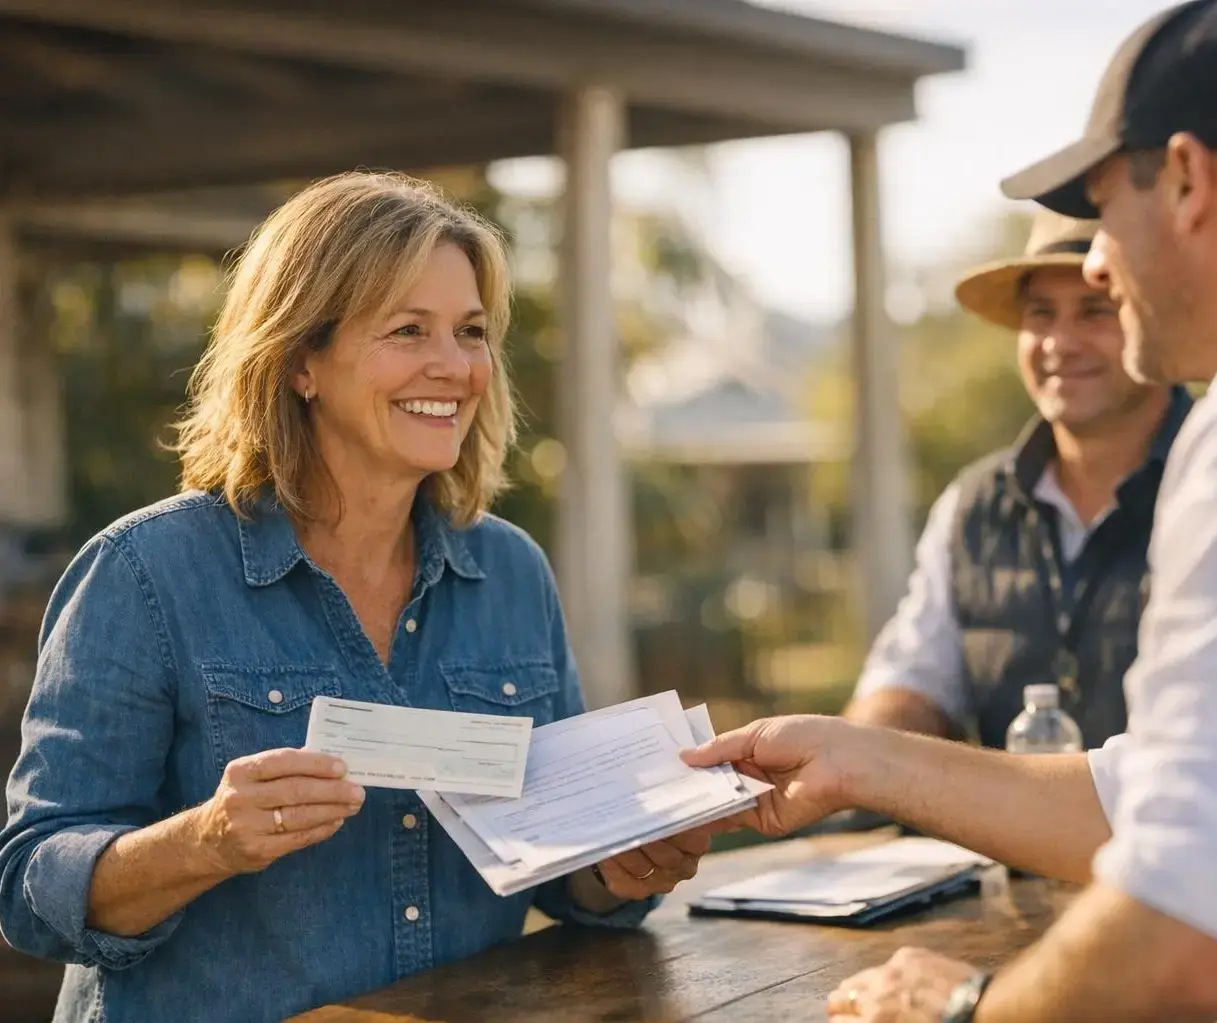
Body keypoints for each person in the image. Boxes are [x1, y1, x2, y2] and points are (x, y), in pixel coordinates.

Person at [686, 1, 1217, 1020]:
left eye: (1103, 206)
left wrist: (968, 1011)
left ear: (1189, 179)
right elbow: (1185, 792)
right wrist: (863, 755)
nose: (1093, 262)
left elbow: (1192, 920)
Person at [0, 171, 709, 1023]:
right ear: (302, 360)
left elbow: (563, 874)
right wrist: (209, 839)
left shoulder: (511, 573)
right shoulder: (143, 572)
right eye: (408, 330)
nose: (453, 366)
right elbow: (31, 887)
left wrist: (621, 864)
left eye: (471, 331)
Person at [846, 211, 1191, 749]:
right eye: (1041, 314)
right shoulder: (972, 504)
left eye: (1095, 311)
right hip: (1004, 838)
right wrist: (860, 750)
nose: (1060, 342)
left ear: (1153, 321)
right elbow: (912, 680)